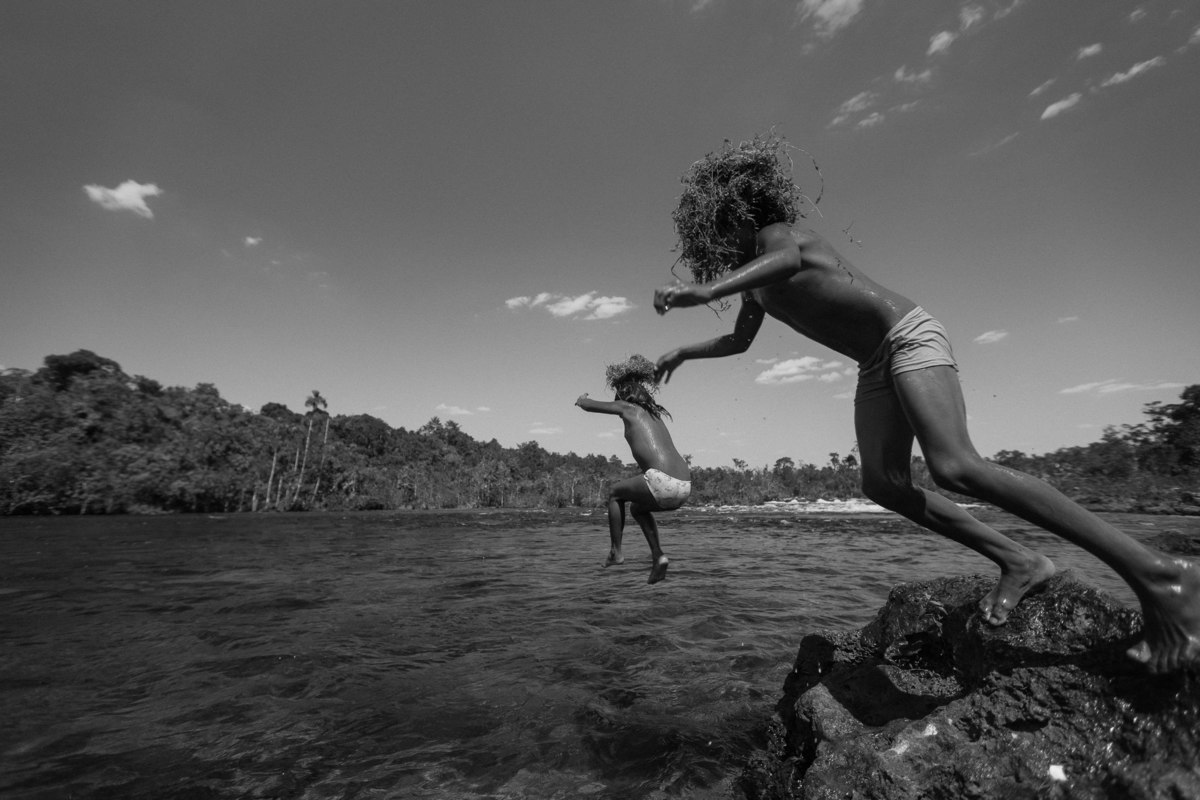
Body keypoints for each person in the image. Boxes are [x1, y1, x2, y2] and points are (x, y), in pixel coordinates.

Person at [652, 133, 1200, 673]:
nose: (721, 240)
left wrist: (705, 291)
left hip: (907, 338)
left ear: (744, 210)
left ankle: (1160, 574)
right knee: (882, 484)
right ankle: (1020, 560)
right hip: (873, 365)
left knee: (956, 466)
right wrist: (684, 352)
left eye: (724, 225)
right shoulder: (753, 285)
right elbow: (739, 342)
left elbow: (788, 260)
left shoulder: (781, 235)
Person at [576, 354, 692, 584]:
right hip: (685, 486)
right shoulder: (655, 415)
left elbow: (588, 406)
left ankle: (615, 552)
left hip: (663, 482)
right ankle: (658, 557)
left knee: (614, 492)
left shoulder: (629, 408)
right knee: (638, 509)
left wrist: (581, 398)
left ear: (625, 396)